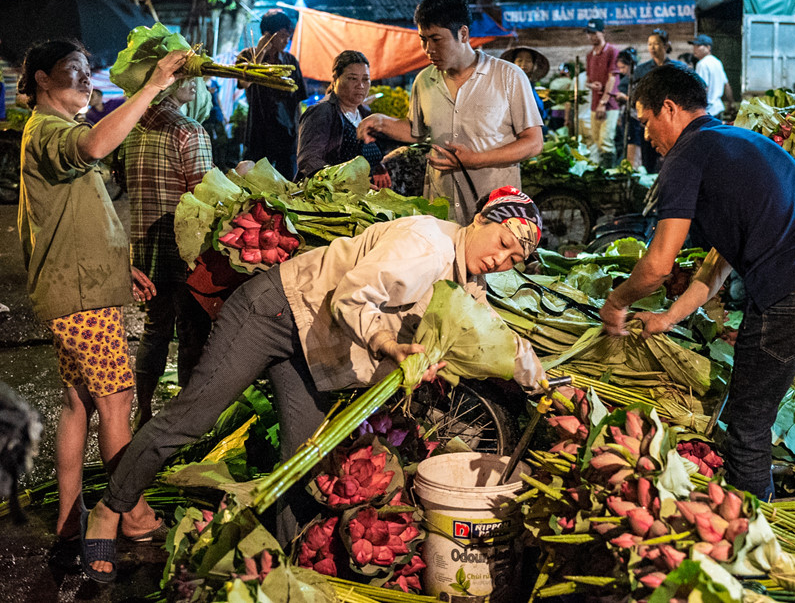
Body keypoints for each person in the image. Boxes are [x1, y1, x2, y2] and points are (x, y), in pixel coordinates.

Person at [81, 186, 547, 579]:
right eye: (503, 242)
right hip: (274, 312)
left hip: (311, 344)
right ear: (484, 218)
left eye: (514, 258)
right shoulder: (427, 245)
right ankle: (109, 509)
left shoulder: (465, 279)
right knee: (193, 417)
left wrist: (542, 382)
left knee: (303, 456)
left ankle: (277, 565)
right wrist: (390, 346)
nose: (501, 259)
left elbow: (490, 334)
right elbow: (352, 297)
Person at [598, 64, 795, 571]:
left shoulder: (687, 155)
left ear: (670, 110)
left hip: (793, 295)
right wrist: (670, 318)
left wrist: (617, 303)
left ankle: (754, 553)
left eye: (645, 121)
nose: (647, 135)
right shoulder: (747, 145)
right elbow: (720, 261)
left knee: (747, 428)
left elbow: (658, 265)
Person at [17, 40, 185, 566]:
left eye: (89, 72)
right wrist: (154, 85)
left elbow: (80, 216)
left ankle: (71, 518)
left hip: (80, 286)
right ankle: (130, 514)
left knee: (80, 404)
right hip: (81, 298)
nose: (86, 80)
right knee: (116, 403)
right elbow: (92, 148)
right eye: (73, 71)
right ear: (42, 79)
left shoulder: (54, 131)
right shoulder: (49, 132)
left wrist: (120, 267)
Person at [357, 0, 543, 226]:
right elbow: (416, 130)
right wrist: (381, 122)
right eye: (423, 39)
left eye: (436, 39)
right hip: (441, 210)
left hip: (493, 214)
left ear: (463, 33)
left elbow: (533, 142)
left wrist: (476, 160)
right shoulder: (424, 80)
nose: (428, 49)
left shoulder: (508, 76)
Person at [119, 77, 214, 430]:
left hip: (144, 243)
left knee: (155, 328)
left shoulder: (130, 127)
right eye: (186, 77)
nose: (194, 84)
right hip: (185, 246)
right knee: (193, 332)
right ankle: (186, 422)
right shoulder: (189, 130)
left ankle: (142, 413)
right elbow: (207, 194)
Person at [237, 9, 308, 180]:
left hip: (287, 134)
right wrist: (260, 52)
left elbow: (297, 100)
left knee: (287, 183)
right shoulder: (247, 56)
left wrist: (300, 132)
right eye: (282, 35)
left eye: (288, 36)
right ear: (268, 35)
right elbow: (243, 83)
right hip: (259, 134)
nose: (286, 41)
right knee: (255, 184)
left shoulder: (290, 62)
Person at [297, 50, 385, 182]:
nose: (360, 85)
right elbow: (309, 160)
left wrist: (379, 168)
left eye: (365, 79)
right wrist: (341, 183)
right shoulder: (322, 112)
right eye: (352, 78)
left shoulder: (365, 113)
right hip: (330, 197)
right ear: (335, 79)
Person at [634, 29, 688, 174]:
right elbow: (634, 94)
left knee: (673, 160)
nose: (652, 47)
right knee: (648, 162)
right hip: (650, 122)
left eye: (656, 43)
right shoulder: (641, 70)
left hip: (672, 123)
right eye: (649, 44)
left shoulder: (678, 68)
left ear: (665, 45)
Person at [584, 18, 619, 168]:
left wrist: (603, 102)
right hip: (593, 104)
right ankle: (601, 176)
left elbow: (613, 77)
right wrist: (592, 85)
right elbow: (587, 80)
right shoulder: (589, 55)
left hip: (609, 105)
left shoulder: (612, 51)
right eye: (589, 33)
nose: (592, 36)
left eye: (594, 33)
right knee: (597, 141)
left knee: (606, 141)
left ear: (603, 32)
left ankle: (610, 175)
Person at [689, 34, 735, 119]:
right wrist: (731, 103)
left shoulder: (702, 64)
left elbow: (702, 88)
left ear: (708, 48)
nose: (695, 48)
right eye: (694, 45)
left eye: (698, 45)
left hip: (708, 111)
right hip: (718, 108)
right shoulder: (717, 62)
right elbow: (726, 84)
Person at [501, 46, 549, 123]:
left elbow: (539, 111)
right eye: (520, 60)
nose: (524, 64)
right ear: (512, 63)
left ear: (533, 65)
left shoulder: (530, 85)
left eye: (528, 61)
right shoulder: (506, 85)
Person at [614, 47, 642, 170]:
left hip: (635, 118)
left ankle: (633, 169)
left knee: (633, 145)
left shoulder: (638, 78)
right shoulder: (625, 79)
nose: (621, 71)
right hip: (627, 116)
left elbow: (639, 101)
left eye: (623, 67)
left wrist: (624, 98)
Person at [546, 62, 574, 132]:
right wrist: (567, 119)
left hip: (554, 111)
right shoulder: (570, 82)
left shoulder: (553, 82)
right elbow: (569, 100)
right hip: (565, 112)